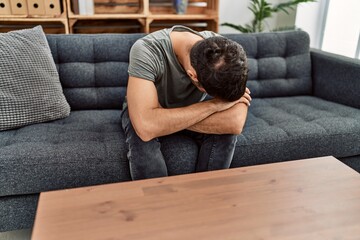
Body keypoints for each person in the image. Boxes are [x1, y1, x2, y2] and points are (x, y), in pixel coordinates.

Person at [122, 25, 251, 180]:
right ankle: (156, 201)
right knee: (141, 136)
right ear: (193, 76)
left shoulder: (224, 53)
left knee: (226, 135)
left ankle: (207, 197)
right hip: (142, 111)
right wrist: (214, 105)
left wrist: (164, 120)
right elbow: (145, 126)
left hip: (165, 113)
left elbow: (235, 123)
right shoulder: (146, 50)